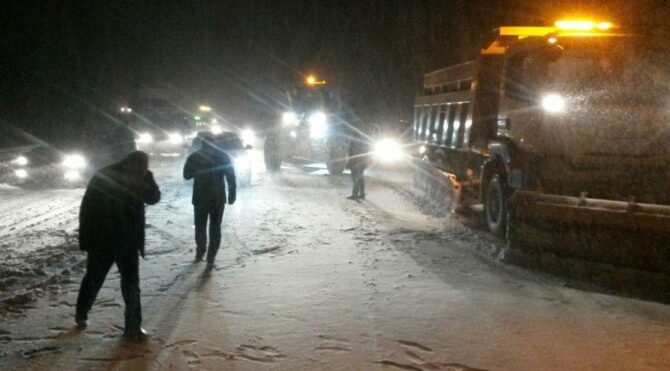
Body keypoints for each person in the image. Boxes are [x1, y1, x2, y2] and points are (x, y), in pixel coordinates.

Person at [75, 151, 160, 342]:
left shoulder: (143, 176)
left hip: (127, 241)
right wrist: (87, 237)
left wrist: (146, 181)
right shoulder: (105, 176)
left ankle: (133, 327)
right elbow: (87, 207)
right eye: (141, 167)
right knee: (94, 278)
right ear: (129, 163)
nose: (143, 170)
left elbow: (154, 198)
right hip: (102, 240)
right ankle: (81, 313)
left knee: (130, 285)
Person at [183, 133, 236, 267]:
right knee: (214, 228)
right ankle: (210, 255)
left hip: (201, 198)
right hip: (217, 198)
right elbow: (231, 177)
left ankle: (202, 251)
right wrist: (231, 194)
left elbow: (187, 175)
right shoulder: (223, 157)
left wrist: (197, 168)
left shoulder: (195, 157)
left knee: (201, 226)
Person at [346, 132, 370, 200]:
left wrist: (350, 163)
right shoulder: (364, 141)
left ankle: (355, 194)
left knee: (355, 178)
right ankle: (362, 194)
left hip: (356, 162)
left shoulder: (354, 141)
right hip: (362, 162)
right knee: (361, 178)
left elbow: (353, 153)